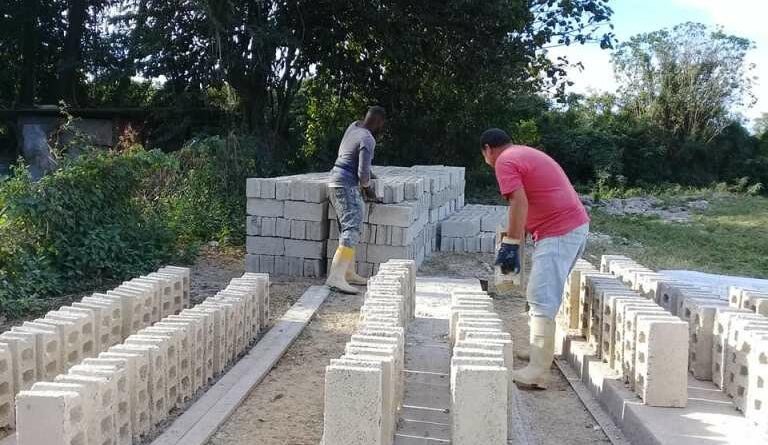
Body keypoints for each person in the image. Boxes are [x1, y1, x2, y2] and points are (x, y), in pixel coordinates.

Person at [480, 128, 589, 389]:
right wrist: (517, 238)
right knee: (540, 293)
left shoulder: (504, 160)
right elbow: (532, 200)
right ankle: (539, 351)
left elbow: (518, 202)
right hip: (571, 226)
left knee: (541, 295)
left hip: (560, 231)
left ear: (487, 149)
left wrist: (511, 244)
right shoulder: (523, 153)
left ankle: (538, 371)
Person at [326, 106, 387, 294]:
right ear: (378, 122)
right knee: (352, 229)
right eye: (381, 124)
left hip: (334, 181)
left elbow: (349, 159)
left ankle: (348, 272)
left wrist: (370, 176)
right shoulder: (368, 139)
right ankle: (336, 277)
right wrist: (369, 191)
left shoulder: (353, 127)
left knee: (346, 229)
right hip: (345, 185)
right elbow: (362, 173)